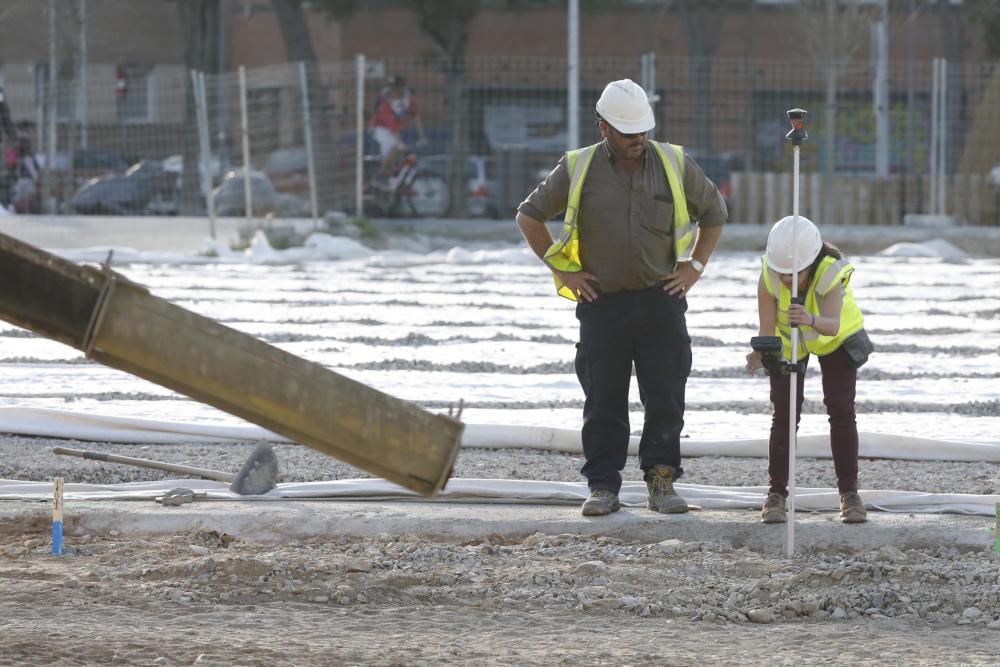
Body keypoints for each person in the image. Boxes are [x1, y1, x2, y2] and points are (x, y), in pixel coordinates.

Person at [516, 78, 728, 517]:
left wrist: (695, 267)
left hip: (660, 300)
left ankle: (662, 481)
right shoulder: (577, 168)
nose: (638, 141)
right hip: (602, 303)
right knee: (603, 397)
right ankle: (603, 486)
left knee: (666, 395)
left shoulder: (673, 162)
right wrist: (562, 269)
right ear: (603, 128)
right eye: (628, 133)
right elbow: (529, 216)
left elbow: (714, 213)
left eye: (643, 132)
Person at [745, 215, 874, 525]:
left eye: (795, 274)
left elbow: (831, 325)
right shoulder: (769, 275)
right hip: (789, 341)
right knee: (784, 415)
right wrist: (761, 352)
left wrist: (809, 319)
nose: (787, 280)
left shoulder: (831, 273)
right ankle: (776, 495)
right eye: (781, 274)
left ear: (812, 261)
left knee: (841, 411)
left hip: (836, 339)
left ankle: (850, 495)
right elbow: (767, 327)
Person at [369, 75, 427, 177]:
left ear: (401, 88)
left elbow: (416, 116)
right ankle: (381, 176)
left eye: (395, 88)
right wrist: (399, 143)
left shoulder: (409, 99)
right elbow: (391, 126)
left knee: (395, 154)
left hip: (394, 130)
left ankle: (392, 178)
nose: (392, 91)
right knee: (394, 145)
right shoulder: (385, 103)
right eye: (391, 89)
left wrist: (422, 136)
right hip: (379, 128)